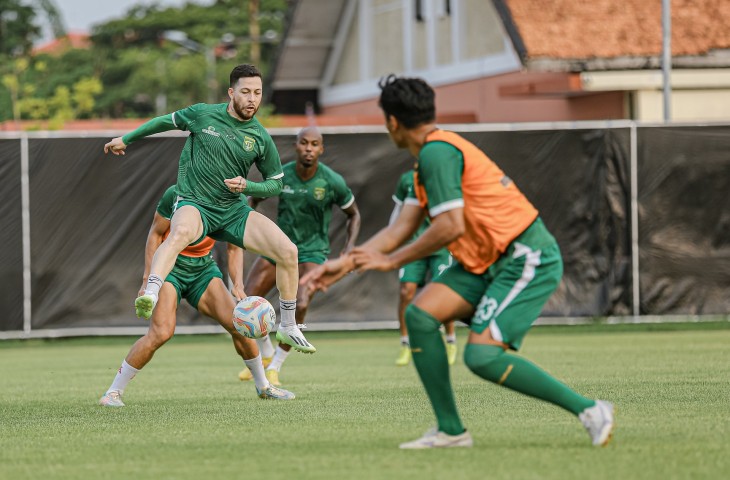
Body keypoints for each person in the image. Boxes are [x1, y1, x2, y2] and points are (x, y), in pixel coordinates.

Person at [302, 75, 615, 449]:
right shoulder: (426, 162)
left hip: (524, 257)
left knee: (482, 357)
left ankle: (591, 409)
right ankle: (451, 431)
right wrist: (347, 263)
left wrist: (392, 262)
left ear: (393, 122)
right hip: (484, 263)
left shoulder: (438, 153)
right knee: (419, 316)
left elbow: (451, 226)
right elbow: (400, 228)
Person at [103, 64, 314, 354]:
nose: (252, 99)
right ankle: (151, 292)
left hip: (232, 211)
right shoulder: (203, 114)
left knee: (289, 251)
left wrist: (248, 186)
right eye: (246, 92)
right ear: (231, 92)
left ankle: (288, 327)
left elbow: (275, 184)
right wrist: (126, 139)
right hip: (197, 204)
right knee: (181, 233)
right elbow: (163, 121)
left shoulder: (260, 138)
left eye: (258, 93)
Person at [99, 185, 295, 407]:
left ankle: (264, 387)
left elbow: (234, 247)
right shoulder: (176, 193)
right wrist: (148, 278)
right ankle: (112, 392)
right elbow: (155, 233)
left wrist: (238, 284)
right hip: (170, 269)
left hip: (202, 269)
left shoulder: (234, 198)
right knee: (161, 333)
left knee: (238, 323)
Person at [238, 126, 361, 386]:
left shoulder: (331, 181)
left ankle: (276, 368)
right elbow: (252, 200)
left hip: (311, 253)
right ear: (296, 145)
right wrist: (249, 230)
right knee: (248, 301)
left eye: (314, 144)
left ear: (321, 148)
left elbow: (354, 215)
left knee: (301, 304)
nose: (308, 148)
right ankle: (266, 354)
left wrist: (349, 249)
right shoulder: (282, 175)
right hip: (279, 249)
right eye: (304, 143)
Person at [391, 170, 457, 367]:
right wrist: (392, 238)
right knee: (406, 292)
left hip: (440, 244)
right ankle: (405, 344)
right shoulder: (406, 178)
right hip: (414, 244)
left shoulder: (444, 175)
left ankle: (450, 341)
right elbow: (398, 211)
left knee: (445, 291)